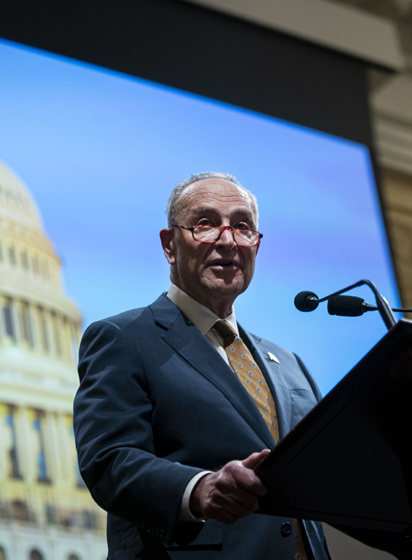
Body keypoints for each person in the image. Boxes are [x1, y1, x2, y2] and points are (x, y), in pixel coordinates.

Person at [74, 172, 331, 559]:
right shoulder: (123, 338)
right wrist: (198, 488)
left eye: (242, 226)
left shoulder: (290, 365)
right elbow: (109, 460)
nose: (227, 240)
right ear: (169, 245)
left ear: (256, 246)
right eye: (205, 224)